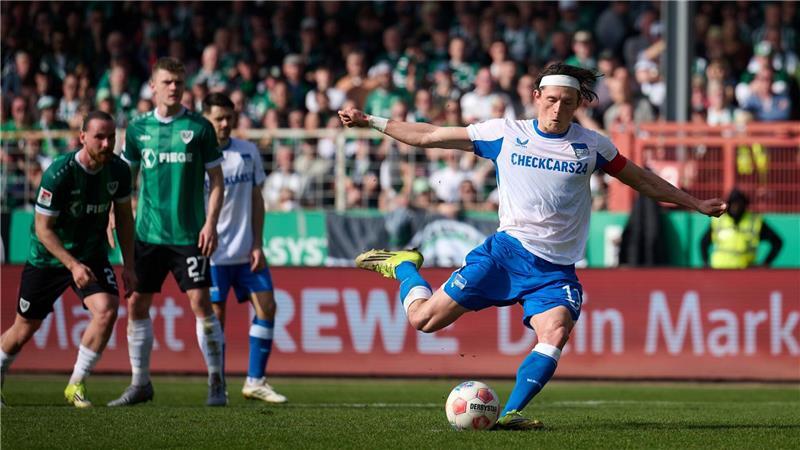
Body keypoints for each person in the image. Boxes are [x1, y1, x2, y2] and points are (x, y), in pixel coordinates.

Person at [338, 62, 727, 430]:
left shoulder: (593, 146)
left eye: (568, 103)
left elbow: (642, 180)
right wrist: (372, 121)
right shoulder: (504, 133)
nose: (559, 109)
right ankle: (404, 266)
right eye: (552, 99)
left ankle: (510, 414)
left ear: (578, 105)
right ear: (537, 95)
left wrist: (694, 203)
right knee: (424, 321)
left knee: (555, 332)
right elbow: (429, 135)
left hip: (556, 270)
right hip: (505, 255)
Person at [109, 57, 227, 407]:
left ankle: (216, 380)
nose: (173, 87)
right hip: (146, 235)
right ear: (153, 86)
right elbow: (125, 181)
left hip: (189, 234)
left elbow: (217, 181)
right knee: (137, 305)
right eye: (167, 82)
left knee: (201, 303)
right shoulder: (136, 129)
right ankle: (140, 383)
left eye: (178, 81)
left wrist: (210, 222)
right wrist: (115, 216)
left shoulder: (200, 127)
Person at [0, 111, 136, 407]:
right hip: (49, 257)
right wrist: (72, 265)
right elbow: (42, 228)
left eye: (111, 137)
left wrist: (130, 265)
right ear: (82, 137)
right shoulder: (58, 174)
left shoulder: (119, 171)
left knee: (107, 309)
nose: (106, 143)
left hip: (91, 254)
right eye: (99, 137)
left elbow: (124, 220)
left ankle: (75, 384)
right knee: (24, 329)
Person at [201, 93, 287, 403]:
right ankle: (217, 383)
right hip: (212, 254)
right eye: (218, 119)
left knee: (268, 307)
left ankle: (255, 380)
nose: (225, 124)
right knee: (215, 320)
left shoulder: (247, 152)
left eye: (228, 118)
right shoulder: (197, 155)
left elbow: (256, 199)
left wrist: (257, 243)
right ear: (205, 120)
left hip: (247, 249)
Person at [701, 189, 783, 269]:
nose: (735, 208)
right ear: (728, 205)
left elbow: (777, 242)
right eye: (733, 204)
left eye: (738, 204)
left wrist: (765, 263)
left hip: (745, 272)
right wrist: (706, 263)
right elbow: (703, 243)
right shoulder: (718, 220)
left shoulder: (754, 221)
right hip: (719, 270)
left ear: (744, 205)